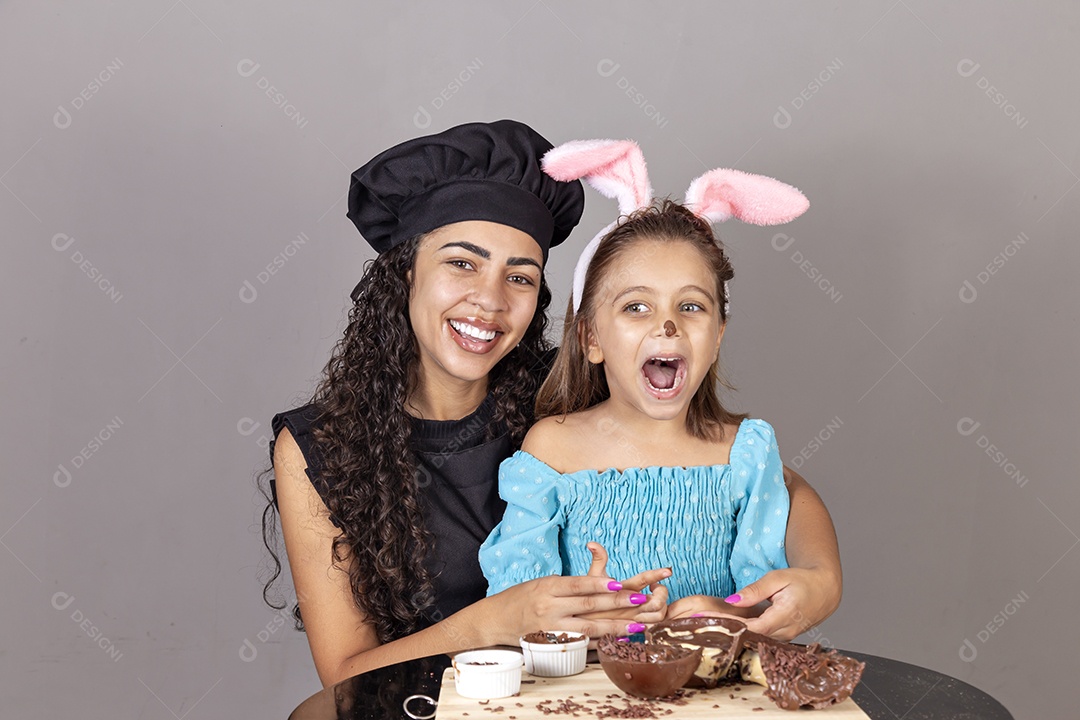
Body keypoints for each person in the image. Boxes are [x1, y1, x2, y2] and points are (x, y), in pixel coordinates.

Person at [264, 122, 842, 688]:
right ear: (405, 272)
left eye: (519, 277)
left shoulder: (568, 397)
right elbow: (345, 676)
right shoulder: (321, 448)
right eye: (462, 263)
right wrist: (498, 619)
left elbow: (774, 483)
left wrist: (821, 578)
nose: (489, 300)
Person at [480, 139, 824, 625]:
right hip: (583, 674)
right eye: (636, 307)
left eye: (691, 306)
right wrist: (581, 611)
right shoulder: (553, 448)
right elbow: (519, 603)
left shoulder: (745, 454)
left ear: (717, 336)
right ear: (591, 338)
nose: (667, 325)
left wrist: (721, 614)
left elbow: (766, 604)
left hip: (709, 674)